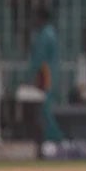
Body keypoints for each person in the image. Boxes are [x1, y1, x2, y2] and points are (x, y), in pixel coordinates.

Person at [27, 7, 63, 142]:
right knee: (46, 107)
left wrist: (31, 77)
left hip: (45, 76)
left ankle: (54, 137)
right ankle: (51, 136)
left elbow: (38, 59)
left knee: (45, 108)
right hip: (49, 74)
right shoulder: (50, 33)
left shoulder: (45, 35)